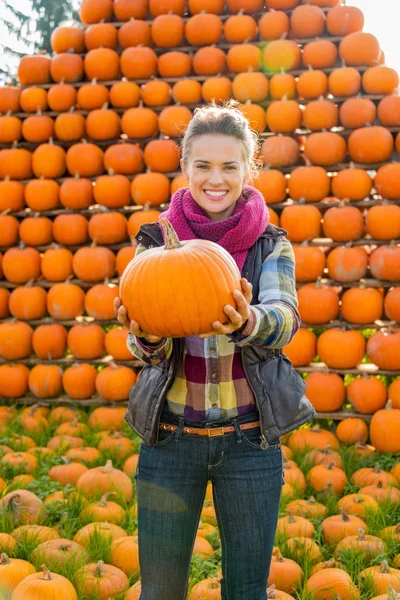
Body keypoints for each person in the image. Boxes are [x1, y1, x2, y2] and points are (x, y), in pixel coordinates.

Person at [114, 101, 316, 600]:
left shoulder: (271, 245)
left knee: (246, 590)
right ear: (186, 169)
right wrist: (149, 337)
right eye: (202, 165)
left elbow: (285, 319)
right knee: (160, 590)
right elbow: (145, 347)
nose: (215, 178)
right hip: (170, 438)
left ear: (249, 170)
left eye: (229, 166)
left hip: (249, 441)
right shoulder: (153, 245)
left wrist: (249, 322)